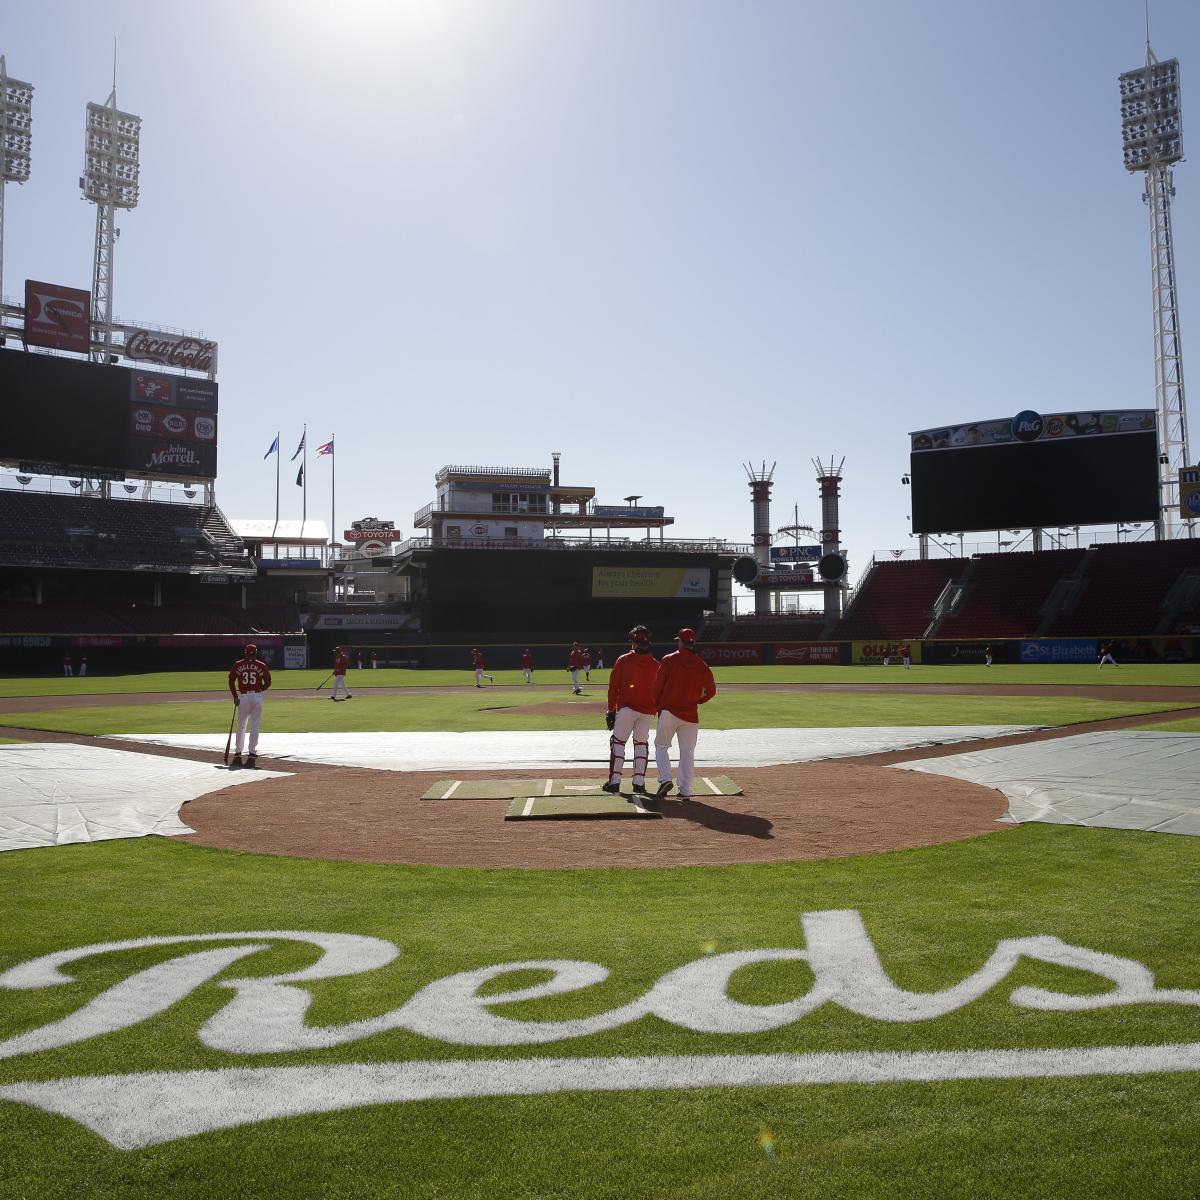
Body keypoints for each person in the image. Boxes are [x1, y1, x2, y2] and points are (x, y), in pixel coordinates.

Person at [652, 628, 717, 806]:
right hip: (690, 714)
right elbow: (711, 692)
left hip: (668, 712)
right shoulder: (701, 664)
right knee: (687, 753)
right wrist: (698, 700)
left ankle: (665, 778)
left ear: (680, 642)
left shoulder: (668, 660)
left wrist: (658, 706)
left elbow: (657, 686)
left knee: (661, 746)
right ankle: (685, 791)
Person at [602, 625, 659, 797]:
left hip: (627, 709)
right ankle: (639, 782)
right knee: (641, 745)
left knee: (618, 743)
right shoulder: (656, 664)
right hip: (648, 711)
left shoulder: (623, 660)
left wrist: (611, 709)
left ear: (634, 642)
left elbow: (613, 688)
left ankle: (615, 782)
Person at [228, 642, 272, 769]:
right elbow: (268, 682)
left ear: (245, 653)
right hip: (257, 696)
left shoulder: (238, 664)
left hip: (243, 697)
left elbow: (231, 680)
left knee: (241, 725)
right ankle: (252, 753)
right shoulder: (261, 665)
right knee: (255, 725)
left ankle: (238, 752)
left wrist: (235, 696)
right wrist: (260, 689)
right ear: (256, 653)